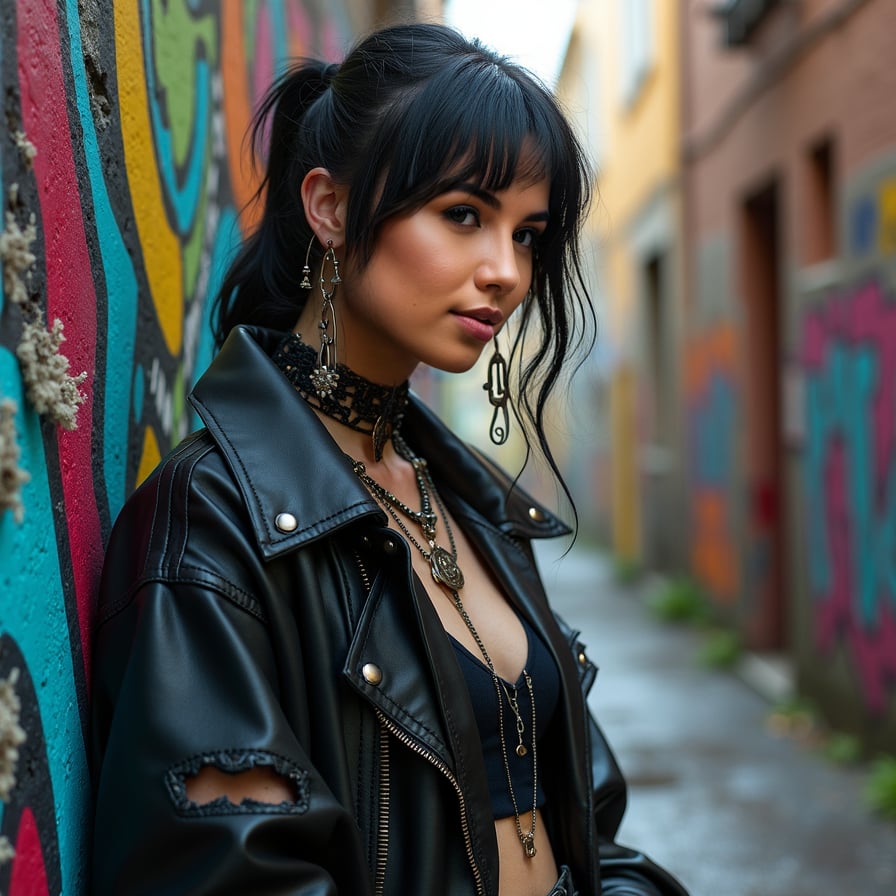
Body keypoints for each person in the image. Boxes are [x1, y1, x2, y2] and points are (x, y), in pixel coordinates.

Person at [90, 22, 689, 896]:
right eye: (463, 216)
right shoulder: (215, 520)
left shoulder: (471, 504)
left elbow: (587, 825)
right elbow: (229, 874)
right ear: (329, 207)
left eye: (527, 234)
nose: (506, 273)